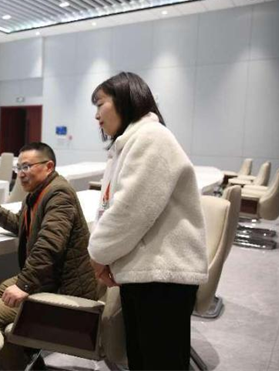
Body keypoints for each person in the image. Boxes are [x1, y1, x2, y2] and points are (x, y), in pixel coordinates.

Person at [88, 72, 208, 371]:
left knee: (159, 362)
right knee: (142, 360)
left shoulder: (151, 137)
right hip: (147, 273)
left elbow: (130, 211)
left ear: (125, 99)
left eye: (100, 104)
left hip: (162, 278)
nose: (96, 116)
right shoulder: (129, 143)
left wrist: (99, 255)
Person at [0, 142, 98, 371]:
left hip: (65, 290)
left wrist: (24, 285)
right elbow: (20, 224)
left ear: (48, 166)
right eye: (18, 167)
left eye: (27, 167)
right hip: (51, 279)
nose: (20, 173)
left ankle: (16, 366)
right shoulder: (37, 194)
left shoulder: (59, 194)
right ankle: (28, 359)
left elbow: (49, 245)